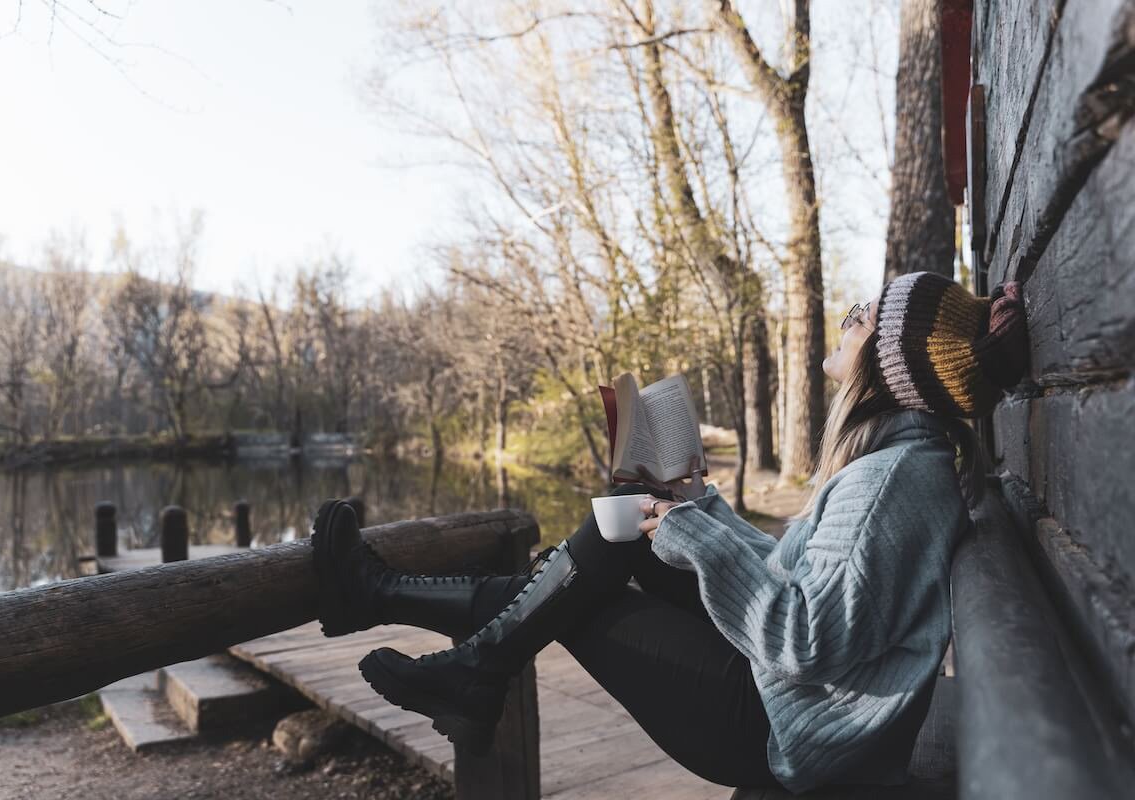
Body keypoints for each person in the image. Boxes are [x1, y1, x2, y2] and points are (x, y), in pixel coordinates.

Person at [310, 270, 1029, 794]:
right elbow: (795, 579)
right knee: (625, 527)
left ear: (888, 361)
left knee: (585, 598)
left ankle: (417, 626)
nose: (846, 318)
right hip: (790, 693)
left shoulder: (890, 484)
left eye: (862, 314)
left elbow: (803, 639)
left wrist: (696, 532)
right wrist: (697, 509)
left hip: (782, 725)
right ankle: (401, 614)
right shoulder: (896, 466)